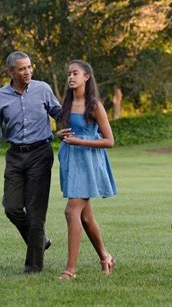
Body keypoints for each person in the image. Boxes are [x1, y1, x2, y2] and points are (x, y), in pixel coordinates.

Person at [0, 51, 61, 273]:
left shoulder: (43, 89)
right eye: (22, 68)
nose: (27, 72)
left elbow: (59, 113)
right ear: (11, 71)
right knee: (11, 207)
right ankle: (40, 241)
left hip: (40, 153)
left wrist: (76, 124)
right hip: (15, 155)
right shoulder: (0, 96)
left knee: (36, 213)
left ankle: (33, 267)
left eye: (29, 67)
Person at [56, 60, 117, 280]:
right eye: (69, 74)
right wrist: (60, 135)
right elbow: (66, 132)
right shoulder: (66, 103)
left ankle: (70, 270)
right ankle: (105, 257)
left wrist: (79, 141)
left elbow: (110, 141)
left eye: (75, 73)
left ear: (86, 77)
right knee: (86, 217)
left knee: (71, 211)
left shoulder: (95, 106)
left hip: (89, 163)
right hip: (71, 162)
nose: (71, 77)